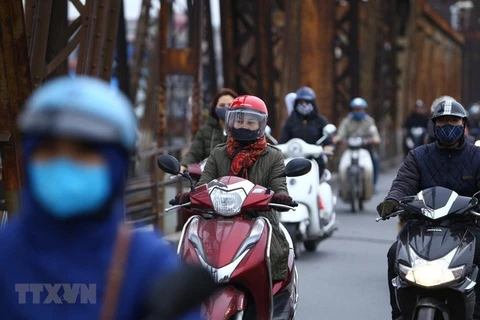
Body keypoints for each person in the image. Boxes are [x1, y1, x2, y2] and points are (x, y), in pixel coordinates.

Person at [0, 76, 203, 319]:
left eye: (85, 150)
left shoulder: (150, 268)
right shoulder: (5, 254)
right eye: (48, 150)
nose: (64, 164)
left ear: (118, 165)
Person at [173, 95, 295, 282]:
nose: (244, 126)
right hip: (218, 220)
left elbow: (279, 183)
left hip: (259, 219)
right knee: (194, 255)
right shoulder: (218, 153)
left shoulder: (273, 156)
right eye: (239, 120)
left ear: (261, 125)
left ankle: (273, 299)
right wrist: (189, 196)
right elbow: (203, 186)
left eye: (251, 122)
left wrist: (280, 197)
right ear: (230, 121)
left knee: (274, 256)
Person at [377, 99, 480, 320]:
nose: (448, 125)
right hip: (421, 226)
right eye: (442, 121)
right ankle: (399, 315)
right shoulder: (418, 155)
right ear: (434, 125)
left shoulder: (477, 156)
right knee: (394, 253)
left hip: (466, 227)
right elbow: (403, 183)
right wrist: (392, 201)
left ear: (463, 124)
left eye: (453, 120)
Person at [279, 86, 334, 177]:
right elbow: (283, 140)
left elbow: (328, 141)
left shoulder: (320, 120)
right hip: (293, 160)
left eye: (307, 102)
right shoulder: (291, 121)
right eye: (301, 102)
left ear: (313, 103)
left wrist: (328, 147)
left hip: (315, 159)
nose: (304, 105)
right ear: (296, 103)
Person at [180, 88, 238, 173]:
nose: (226, 108)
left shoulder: (242, 130)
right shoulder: (205, 130)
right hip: (210, 180)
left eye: (230, 105)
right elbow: (194, 153)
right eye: (222, 105)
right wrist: (183, 166)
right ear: (215, 108)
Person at [332, 97, 381, 188]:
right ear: (352, 109)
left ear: (364, 110)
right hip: (350, 148)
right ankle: (342, 185)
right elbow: (341, 133)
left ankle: (373, 184)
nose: (358, 111)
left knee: (375, 161)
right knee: (341, 163)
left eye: (360, 109)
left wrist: (374, 139)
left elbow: (375, 134)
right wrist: (337, 139)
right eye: (356, 109)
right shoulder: (346, 121)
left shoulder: (369, 121)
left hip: (366, 147)